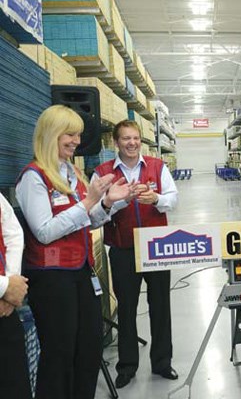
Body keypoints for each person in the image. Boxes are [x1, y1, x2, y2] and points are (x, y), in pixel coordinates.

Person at [15, 105, 133, 399]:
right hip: (50, 278)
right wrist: (87, 202)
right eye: (69, 134)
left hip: (80, 271)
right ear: (50, 134)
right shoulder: (34, 177)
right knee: (60, 353)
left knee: (89, 348)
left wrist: (107, 204)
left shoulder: (71, 171)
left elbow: (88, 220)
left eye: (78, 134)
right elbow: (43, 232)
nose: (76, 141)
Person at [93, 120, 179, 389]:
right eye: (126, 139)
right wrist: (120, 201)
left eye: (136, 138)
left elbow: (173, 199)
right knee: (126, 310)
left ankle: (162, 362)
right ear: (116, 142)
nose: (132, 143)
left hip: (156, 248)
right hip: (122, 249)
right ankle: (127, 366)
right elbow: (94, 213)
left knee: (160, 306)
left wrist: (156, 199)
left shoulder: (157, 166)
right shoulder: (103, 172)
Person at [0, 192, 31, 398]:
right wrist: (4, 287)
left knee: (15, 382)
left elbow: (12, 232)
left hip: (4, 308)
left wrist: (11, 282)